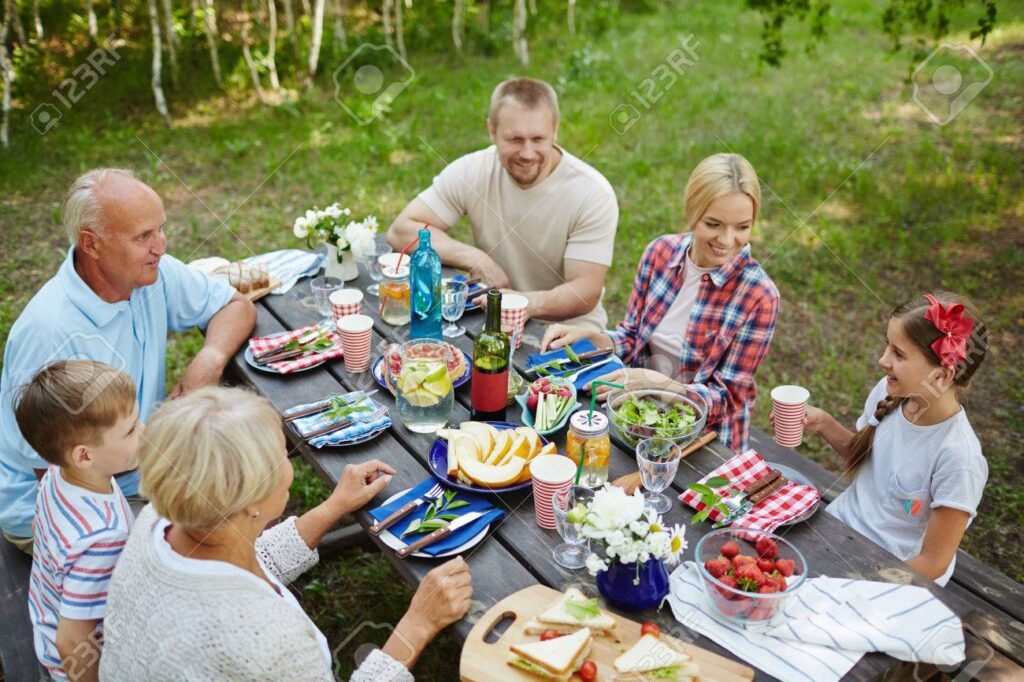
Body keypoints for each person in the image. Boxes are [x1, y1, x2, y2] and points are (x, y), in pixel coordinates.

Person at [101, 386, 473, 680]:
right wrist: (418, 623)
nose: (289, 466)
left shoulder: (156, 521)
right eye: (282, 456)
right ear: (250, 502)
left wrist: (332, 507)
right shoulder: (268, 644)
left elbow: (239, 555)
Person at [0, 168, 256, 553]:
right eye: (143, 236)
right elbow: (48, 471)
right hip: (68, 504)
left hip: (137, 466)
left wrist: (210, 357)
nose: (161, 246)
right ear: (92, 244)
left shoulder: (150, 273)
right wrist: (162, 505)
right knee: (208, 546)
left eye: (160, 229)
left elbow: (235, 305)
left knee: (244, 486)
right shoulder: (51, 334)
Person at [542, 153, 779, 452]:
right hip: (634, 417)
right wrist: (595, 339)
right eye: (713, 224)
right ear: (692, 212)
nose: (727, 240)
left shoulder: (759, 295)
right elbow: (632, 336)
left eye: (742, 227)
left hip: (705, 443)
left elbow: (727, 400)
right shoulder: (660, 253)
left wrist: (657, 384)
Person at [386, 77, 618, 331]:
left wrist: (523, 302)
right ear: (492, 131)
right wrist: (477, 259)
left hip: (568, 333)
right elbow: (401, 231)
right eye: (515, 140)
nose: (528, 153)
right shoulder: (473, 170)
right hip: (492, 320)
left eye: (538, 139)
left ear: (556, 130)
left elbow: (585, 291)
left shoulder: (592, 193)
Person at [801, 292, 988, 585]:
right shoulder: (891, 393)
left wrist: (858, 581)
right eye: (887, 347)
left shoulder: (957, 458)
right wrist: (823, 422)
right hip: (840, 531)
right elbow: (869, 460)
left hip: (890, 573)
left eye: (898, 354)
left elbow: (933, 562)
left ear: (942, 376)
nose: (882, 360)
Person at [14, 360, 140, 681]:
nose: (144, 432)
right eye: (130, 431)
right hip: (81, 659)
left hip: (46, 615)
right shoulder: (102, 538)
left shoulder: (60, 475)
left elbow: (42, 533)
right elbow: (72, 642)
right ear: (84, 456)